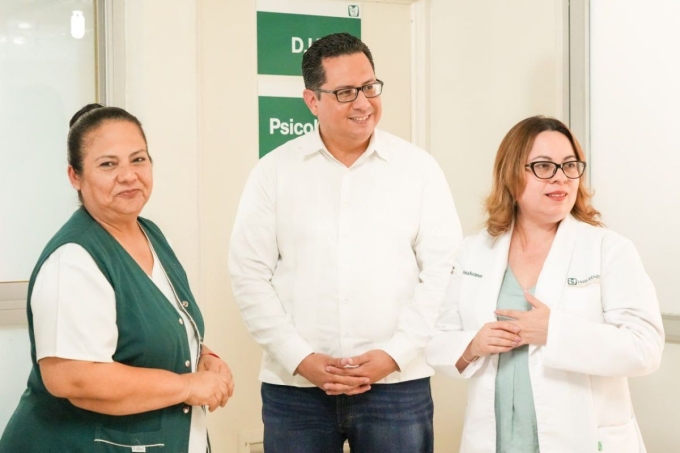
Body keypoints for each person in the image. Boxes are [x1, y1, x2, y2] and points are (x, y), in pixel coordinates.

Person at [229, 32, 462, 453]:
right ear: (312, 101)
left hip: (397, 387)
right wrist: (301, 358)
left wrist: (395, 354)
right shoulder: (274, 172)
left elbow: (444, 271)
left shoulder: (418, 169)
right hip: (296, 391)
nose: (363, 103)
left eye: (370, 87)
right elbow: (249, 276)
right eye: (345, 92)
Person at [0, 104, 234, 452]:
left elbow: (151, 331)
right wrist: (188, 386)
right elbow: (73, 378)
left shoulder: (150, 235)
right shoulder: (73, 260)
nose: (128, 175)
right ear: (75, 176)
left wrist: (202, 355)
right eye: (108, 164)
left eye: (138, 159)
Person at [426, 115, 664, 453]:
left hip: (581, 438)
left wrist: (554, 331)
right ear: (511, 175)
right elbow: (438, 341)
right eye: (543, 166)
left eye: (569, 165)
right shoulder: (475, 251)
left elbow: (645, 348)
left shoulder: (608, 250)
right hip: (497, 440)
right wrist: (473, 344)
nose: (561, 177)